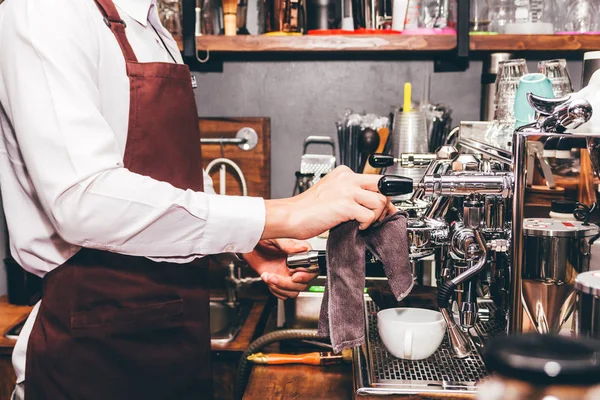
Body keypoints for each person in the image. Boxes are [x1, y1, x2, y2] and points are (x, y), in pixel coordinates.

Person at [0, 0, 395, 398]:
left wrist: (247, 243)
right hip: (92, 356)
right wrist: (280, 214)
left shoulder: (154, 28)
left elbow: (170, 179)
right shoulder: (46, 9)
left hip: (177, 345)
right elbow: (82, 201)